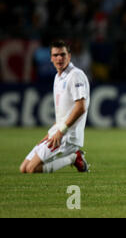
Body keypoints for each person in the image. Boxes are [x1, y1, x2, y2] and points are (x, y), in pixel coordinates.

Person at [20, 40, 90, 174]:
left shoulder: (75, 75)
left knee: (32, 169)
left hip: (68, 135)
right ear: (51, 58)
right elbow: (63, 112)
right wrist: (51, 132)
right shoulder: (58, 77)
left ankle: (73, 157)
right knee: (24, 168)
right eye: (56, 55)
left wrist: (60, 131)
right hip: (58, 131)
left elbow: (81, 107)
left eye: (63, 55)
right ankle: (73, 157)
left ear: (69, 56)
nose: (59, 58)